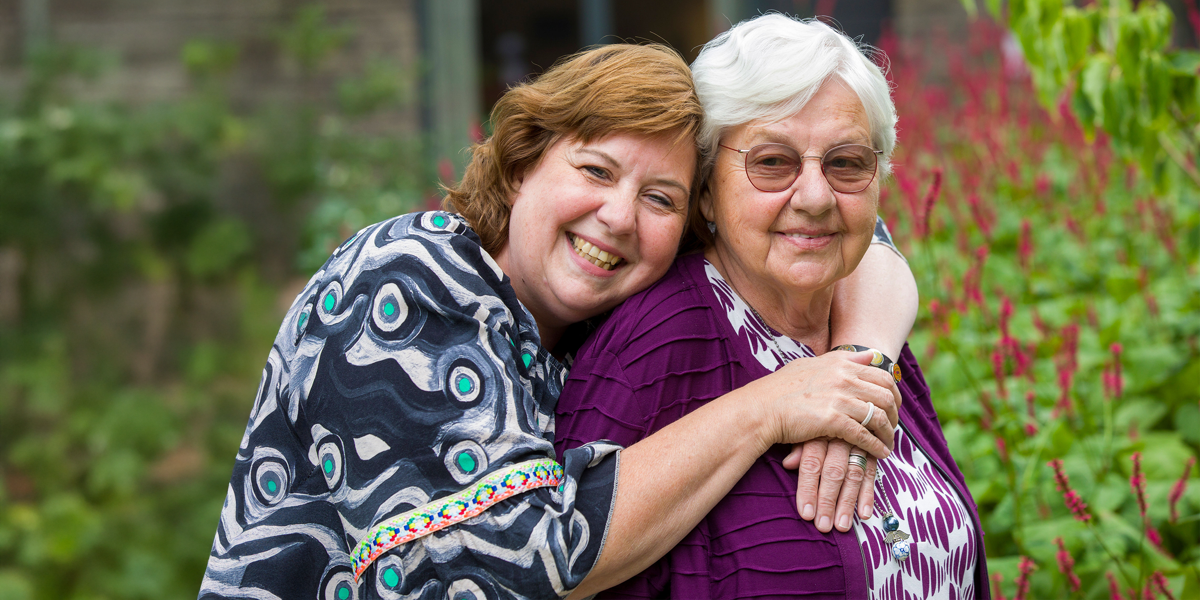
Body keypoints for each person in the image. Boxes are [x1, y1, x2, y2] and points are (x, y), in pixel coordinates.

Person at [200, 42, 914, 600]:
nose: (619, 217)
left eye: (660, 199)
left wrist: (861, 361)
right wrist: (775, 403)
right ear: (520, 166)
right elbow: (505, 564)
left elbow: (858, 246)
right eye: (597, 172)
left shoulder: (590, 320)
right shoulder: (408, 279)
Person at [556, 15, 990, 599]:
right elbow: (560, 561)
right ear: (706, 188)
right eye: (771, 163)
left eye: (846, 163)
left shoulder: (860, 322)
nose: (814, 198)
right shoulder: (661, 335)